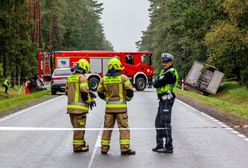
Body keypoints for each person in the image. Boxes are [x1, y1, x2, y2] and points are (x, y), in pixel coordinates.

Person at [97, 58, 135, 155]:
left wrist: (106, 99)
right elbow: (130, 91)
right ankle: (125, 149)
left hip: (109, 109)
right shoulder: (123, 78)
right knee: (123, 128)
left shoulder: (104, 79)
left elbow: (99, 92)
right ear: (118, 67)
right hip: (121, 110)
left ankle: (104, 149)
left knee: (107, 128)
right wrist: (127, 98)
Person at [65, 59, 96, 152]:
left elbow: (67, 92)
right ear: (83, 68)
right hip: (79, 110)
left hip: (71, 109)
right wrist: (90, 101)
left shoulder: (70, 77)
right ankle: (78, 147)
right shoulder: (82, 78)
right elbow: (83, 93)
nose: (85, 73)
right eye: (85, 70)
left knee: (77, 128)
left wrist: (88, 92)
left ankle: (82, 143)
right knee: (79, 128)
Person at [152, 53, 179, 153]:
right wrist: (157, 81)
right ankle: (159, 145)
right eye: (163, 61)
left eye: (166, 62)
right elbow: (156, 83)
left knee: (166, 122)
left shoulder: (170, 73)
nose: (164, 63)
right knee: (158, 122)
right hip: (162, 99)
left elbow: (157, 83)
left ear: (171, 62)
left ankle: (169, 146)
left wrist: (157, 81)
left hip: (167, 99)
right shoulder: (164, 72)